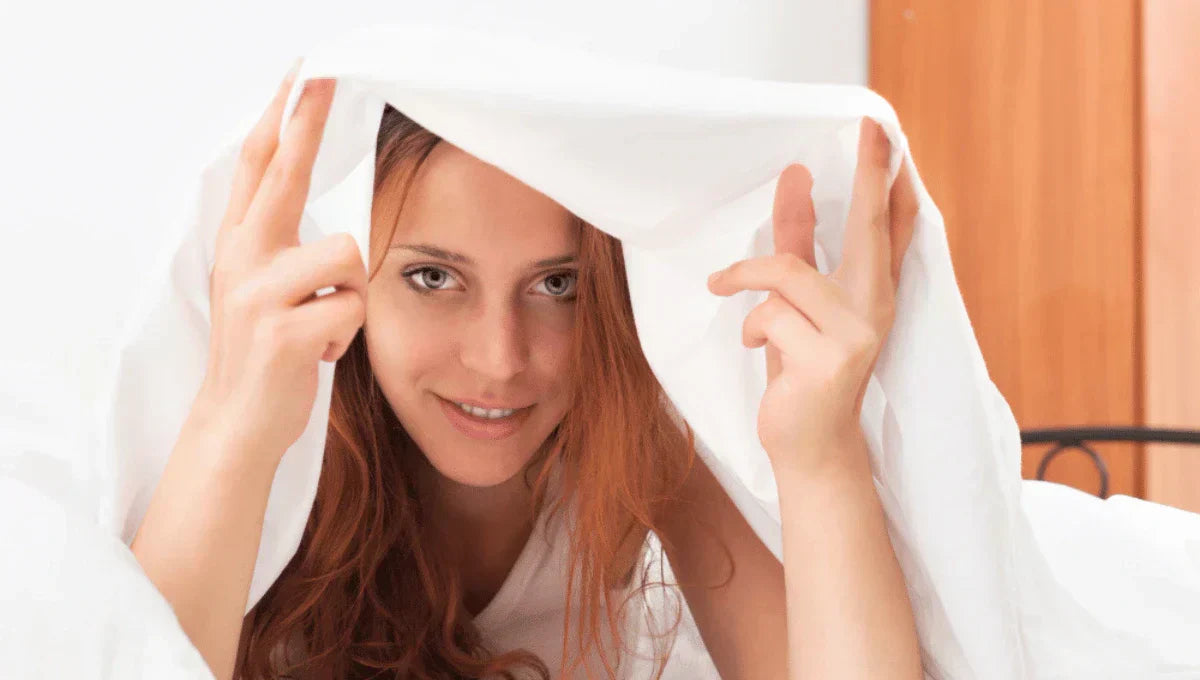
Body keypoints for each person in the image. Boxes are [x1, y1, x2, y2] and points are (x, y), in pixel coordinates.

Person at [129, 62, 923, 680]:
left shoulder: (636, 447)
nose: (500, 360)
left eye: (558, 285)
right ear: (351, 268)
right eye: (433, 278)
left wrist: (822, 457)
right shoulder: (289, 437)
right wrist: (235, 416)